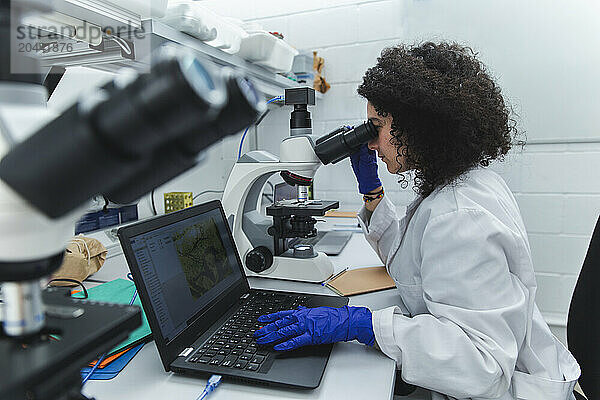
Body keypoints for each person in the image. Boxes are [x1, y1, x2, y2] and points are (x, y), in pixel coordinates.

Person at [254, 42, 580, 399]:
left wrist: (363, 324)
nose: (372, 143)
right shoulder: (463, 185)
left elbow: (482, 366)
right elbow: (410, 266)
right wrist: (372, 190)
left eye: (376, 126)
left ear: (417, 126)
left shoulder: (459, 215)